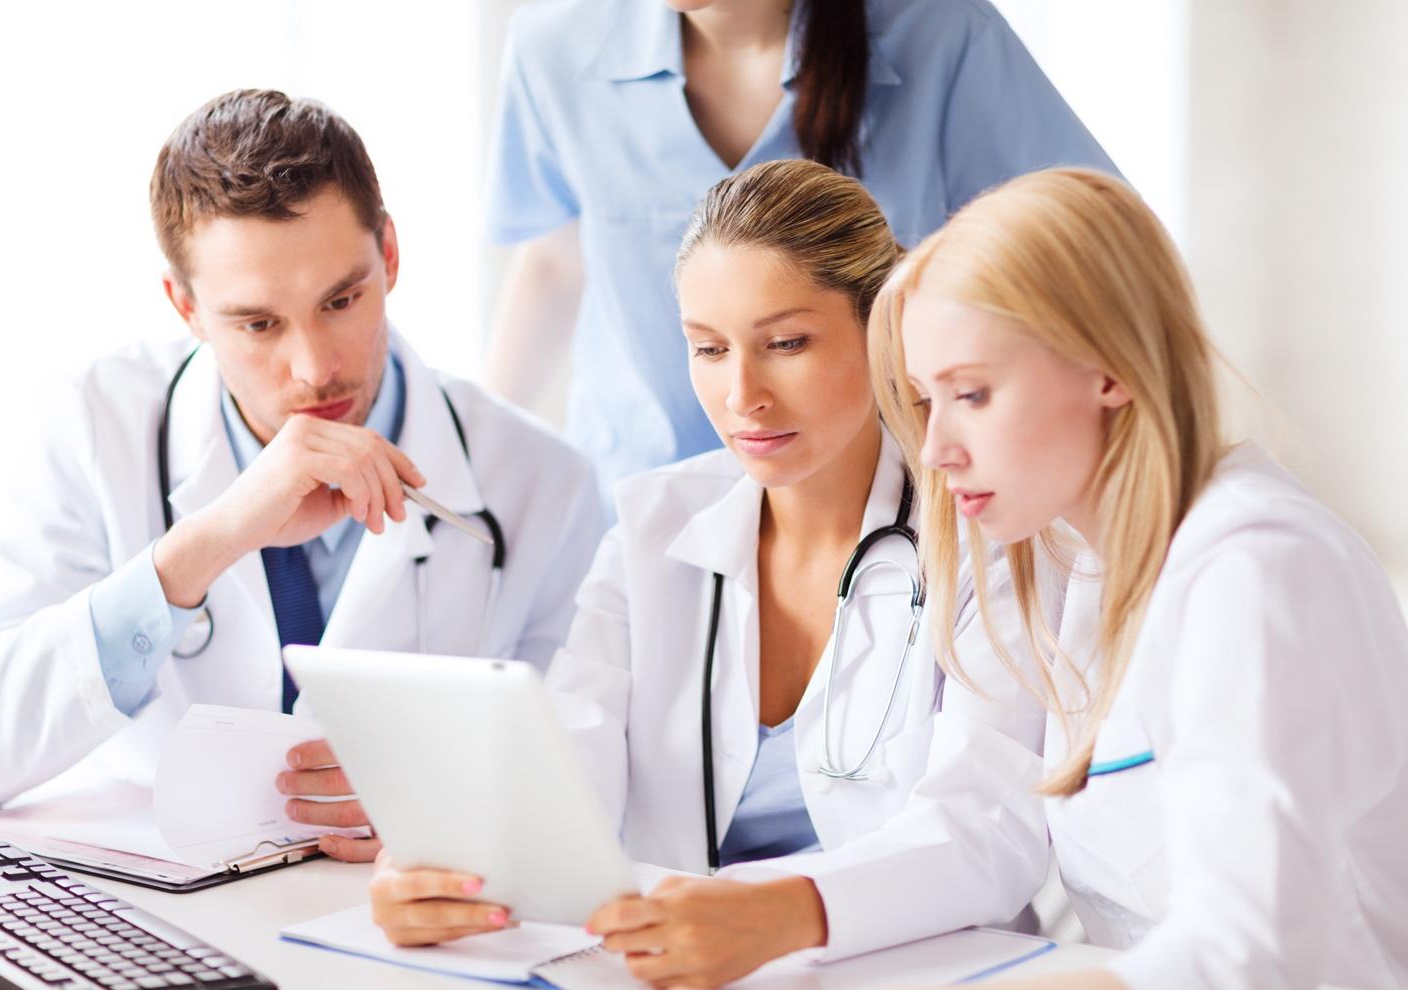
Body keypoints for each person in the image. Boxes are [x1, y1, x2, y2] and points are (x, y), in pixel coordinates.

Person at [370, 160, 1053, 986]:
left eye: (786, 344)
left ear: (885, 334)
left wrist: (784, 911)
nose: (742, 395)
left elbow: (988, 833)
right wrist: (454, 866)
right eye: (708, 348)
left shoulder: (984, 533)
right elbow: (567, 765)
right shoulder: (652, 530)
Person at [0, 90, 605, 863]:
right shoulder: (88, 426)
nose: (315, 369)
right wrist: (202, 548)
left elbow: (590, 790)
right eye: (257, 324)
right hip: (154, 911)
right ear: (186, 308)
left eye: (342, 300)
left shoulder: (545, 483)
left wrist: (447, 803)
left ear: (391, 255)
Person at [869, 167, 1408, 989]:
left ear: (1109, 368)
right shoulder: (1081, 559)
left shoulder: (1253, 571)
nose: (935, 448)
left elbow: (1250, 951)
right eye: (923, 402)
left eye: (970, 394)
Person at [484, 0, 1119, 498]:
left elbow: (1094, 248)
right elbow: (555, 264)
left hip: (885, 493)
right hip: (636, 485)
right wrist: (477, 450)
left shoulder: (945, 36)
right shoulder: (553, 48)